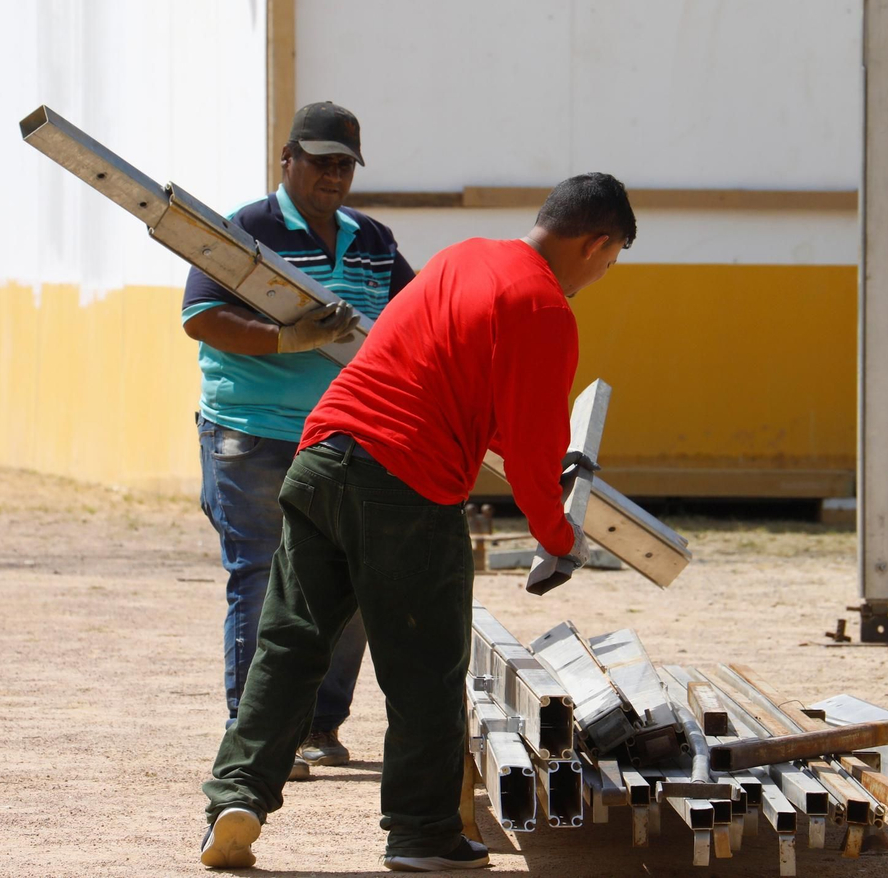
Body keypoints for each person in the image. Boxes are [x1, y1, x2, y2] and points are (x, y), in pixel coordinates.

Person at [196, 173, 637, 872]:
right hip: (405, 486)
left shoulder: (462, 258)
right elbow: (532, 448)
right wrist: (559, 539)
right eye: (609, 262)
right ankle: (423, 836)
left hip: (322, 456)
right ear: (595, 242)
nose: (600, 275)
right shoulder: (543, 306)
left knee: (290, 646)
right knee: (426, 668)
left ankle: (236, 798)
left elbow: (458, 393)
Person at [182, 101, 413, 778]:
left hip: (346, 433)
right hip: (253, 433)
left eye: (344, 165)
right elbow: (202, 317)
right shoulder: (247, 230)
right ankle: (256, 734)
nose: (333, 175)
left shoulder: (371, 240)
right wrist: (289, 339)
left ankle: (317, 726)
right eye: (320, 162)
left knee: (351, 581)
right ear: (288, 160)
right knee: (261, 577)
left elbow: (413, 316)